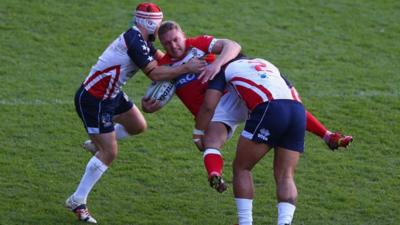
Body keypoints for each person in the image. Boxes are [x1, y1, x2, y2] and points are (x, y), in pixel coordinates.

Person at [141, 21, 352, 194]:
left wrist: (216, 64)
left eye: (176, 40)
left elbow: (233, 46)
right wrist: (150, 105)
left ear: (183, 35)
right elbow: (152, 97)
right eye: (167, 43)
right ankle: (215, 175)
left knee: (281, 105)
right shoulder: (165, 66)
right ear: (162, 44)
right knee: (212, 141)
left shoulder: (198, 44)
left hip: (230, 92)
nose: (174, 46)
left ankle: (328, 136)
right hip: (217, 111)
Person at [65, 3, 207, 224]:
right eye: (158, 24)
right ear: (150, 23)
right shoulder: (134, 41)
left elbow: (163, 60)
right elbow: (156, 73)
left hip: (112, 95)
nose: (159, 30)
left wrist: (190, 56)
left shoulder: (141, 40)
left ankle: (97, 144)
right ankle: (78, 200)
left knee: (137, 125)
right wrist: (187, 68)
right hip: (95, 100)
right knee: (110, 153)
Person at [194, 56, 329, 225]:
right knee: (286, 175)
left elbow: (208, 105)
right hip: (297, 111)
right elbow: (294, 98)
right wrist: (326, 134)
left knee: (242, 168)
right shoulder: (268, 65)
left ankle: (245, 222)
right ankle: (285, 222)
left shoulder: (225, 69)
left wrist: (198, 132)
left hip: (270, 109)